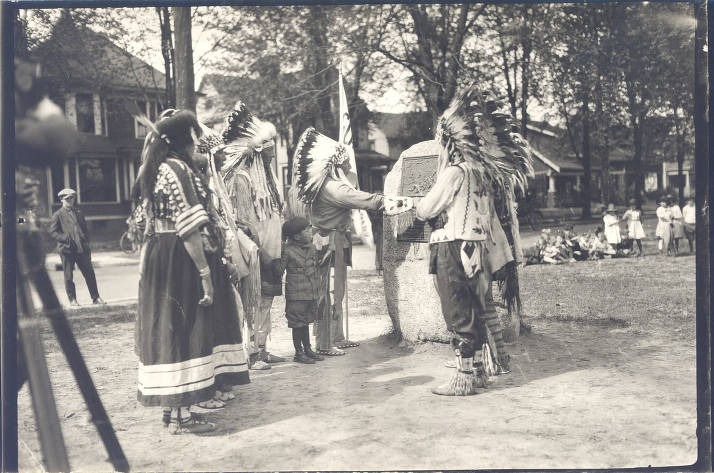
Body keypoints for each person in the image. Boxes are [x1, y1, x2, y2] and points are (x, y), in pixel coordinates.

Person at [134, 109, 248, 434]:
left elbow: (145, 226)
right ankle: (183, 416)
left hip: (159, 256)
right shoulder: (178, 169)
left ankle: (173, 412)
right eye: (194, 137)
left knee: (169, 329)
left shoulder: (152, 169)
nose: (197, 143)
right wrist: (205, 274)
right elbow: (188, 228)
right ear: (186, 140)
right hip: (180, 257)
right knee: (185, 330)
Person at [415, 86, 532, 396]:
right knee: (477, 306)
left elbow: (427, 208)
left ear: (448, 143)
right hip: (476, 249)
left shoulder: (454, 173)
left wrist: (416, 204)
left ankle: (463, 378)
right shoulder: (482, 172)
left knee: (457, 309)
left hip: (453, 247)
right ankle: (479, 371)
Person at [291, 127, 410, 356]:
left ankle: (333, 337)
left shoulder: (323, 184)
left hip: (328, 241)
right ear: (335, 164)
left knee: (330, 292)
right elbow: (361, 199)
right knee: (330, 293)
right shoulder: (334, 187)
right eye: (344, 161)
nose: (348, 165)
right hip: (331, 243)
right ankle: (326, 343)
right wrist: (395, 202)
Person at [221, 102, 286, 370]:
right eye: (268, 146)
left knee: (266, 302)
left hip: (272, 251)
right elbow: (245, 223)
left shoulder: (267, 179)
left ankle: (263, 348)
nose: (272, 151)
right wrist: (263, 252)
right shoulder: (242, 179)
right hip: (256, 253)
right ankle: (253, 353)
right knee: (255, 301)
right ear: (256, 149)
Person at [49, 188, 106, 306]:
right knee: (69, 276)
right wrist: (65, 238)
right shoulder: (58, 215)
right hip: (67, 249)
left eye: (72, 198)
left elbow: (84, 229)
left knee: (89, 273)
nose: (70, 201)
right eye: (67, 199)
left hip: (82, 249)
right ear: (61, 200)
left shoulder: (79, 212)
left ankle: (96, 298)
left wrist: (87, 242)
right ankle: (72, 300)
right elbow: (53, 232)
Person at [281, 216, 324, 364]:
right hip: (296, 294)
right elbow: (279, 270)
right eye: (307, 230)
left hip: (310, 292)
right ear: (296, 236)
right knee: (297, 324)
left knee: (305, 322)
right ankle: (298, 353)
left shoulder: (312, 247)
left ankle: (308, 349)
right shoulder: (287, 251)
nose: (310, 231)